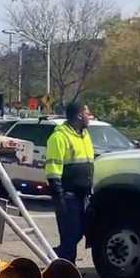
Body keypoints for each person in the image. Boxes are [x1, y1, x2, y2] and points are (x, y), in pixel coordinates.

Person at [44, 101, 95, 264]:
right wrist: (59, 197)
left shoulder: (84, 135)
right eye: (88, 113)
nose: (90, 117)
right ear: (79, 115)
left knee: (80, 232)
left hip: (83, 196)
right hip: (68, 196)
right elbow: (53, 170)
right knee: (70, 236)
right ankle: (65, 271)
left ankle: (56, 257)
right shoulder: (59, 137)